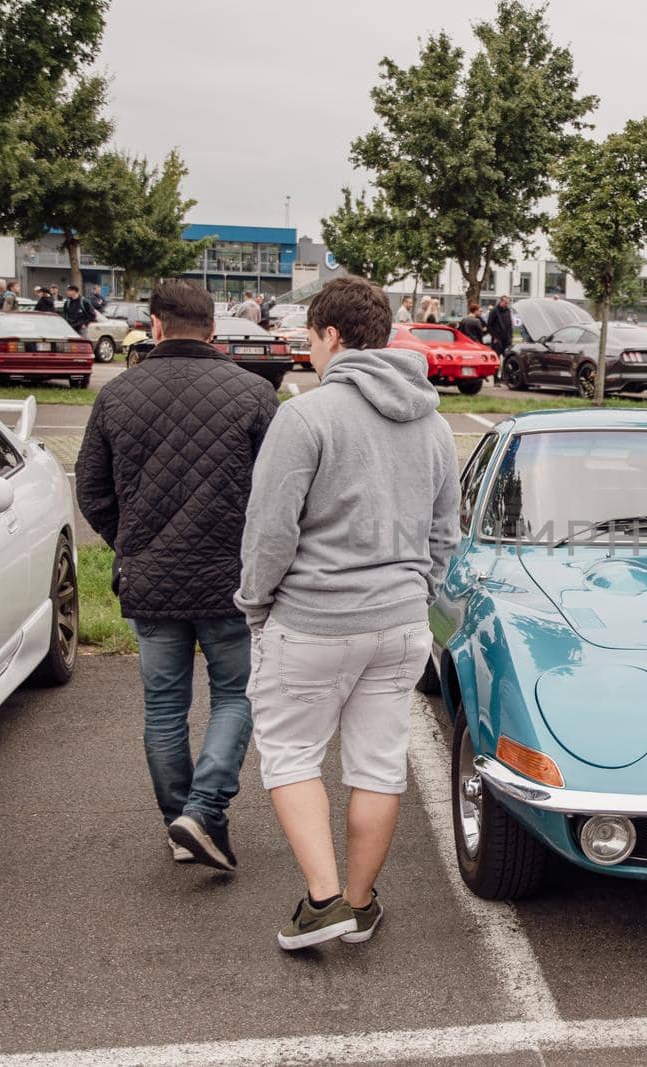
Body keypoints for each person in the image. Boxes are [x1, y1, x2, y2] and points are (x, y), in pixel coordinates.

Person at [235, 275, 459, 950]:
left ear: (330, 336)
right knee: (379, 765)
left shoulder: (306, 417)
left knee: (292, 754)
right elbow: (446, 532)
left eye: (310, 338)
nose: (309, 352)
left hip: (312, 618)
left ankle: (325, 899)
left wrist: (255, 605)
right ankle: (360, 906)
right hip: (399, 623)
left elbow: (270, 531)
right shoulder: (435, 421)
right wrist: (418, 595)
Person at [74, 280, 279, 871]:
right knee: (235, 696)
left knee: (164, 707)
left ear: (155, 325)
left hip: (151, 580)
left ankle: (179, 824)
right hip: (229, 579)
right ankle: (205, 810)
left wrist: (132, 543)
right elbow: (276, 493)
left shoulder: (118, 395)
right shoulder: (253, 394)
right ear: (214, 329)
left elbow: (91, 492)